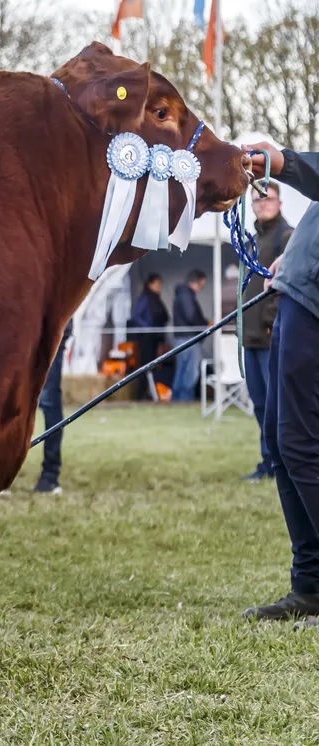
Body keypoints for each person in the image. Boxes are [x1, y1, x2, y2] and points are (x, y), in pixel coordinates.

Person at [240, 142, 319, 621]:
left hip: (311, 304)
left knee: (300, 443)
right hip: (299, 292)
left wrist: (282, 161)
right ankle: (309, 585)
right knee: (281, 440)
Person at [240, 182, 293, 482]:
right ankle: (269, 462)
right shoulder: (251, 241)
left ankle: (284, 463)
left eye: (267, 198)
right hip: (251, 337)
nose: (262, 204)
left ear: (279, 202)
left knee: (278, 405)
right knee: (261, 404)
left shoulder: (287, 238)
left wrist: (272, 323)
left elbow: (287, 287)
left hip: (273, 335)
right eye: (256, 200)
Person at [34, 319, 73, 494]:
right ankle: (0, 474)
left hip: (51, 330)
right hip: (22, 329)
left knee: (49, 401)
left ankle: (49, 476)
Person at [170, 269, 209, 402]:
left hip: (181, 337)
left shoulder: (181, 294)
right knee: (190, 372)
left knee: (181, 370)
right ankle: (185, 400)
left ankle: (177, 399)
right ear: (196, 282)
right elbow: (191, 316)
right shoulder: (187, 296)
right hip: (189, 338)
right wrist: (205, 323)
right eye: (202, 284)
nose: (202, 287)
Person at [129, 274, 169, 400]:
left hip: (155, 338)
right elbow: (136, 316)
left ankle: (150, 392)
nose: (159, 287)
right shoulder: (145, 298)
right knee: (145, 365)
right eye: (157, 284)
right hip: (146, 337)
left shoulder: (156, 299)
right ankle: (141, 393)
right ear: (150, 284)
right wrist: (148, 328)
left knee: (153, 365)